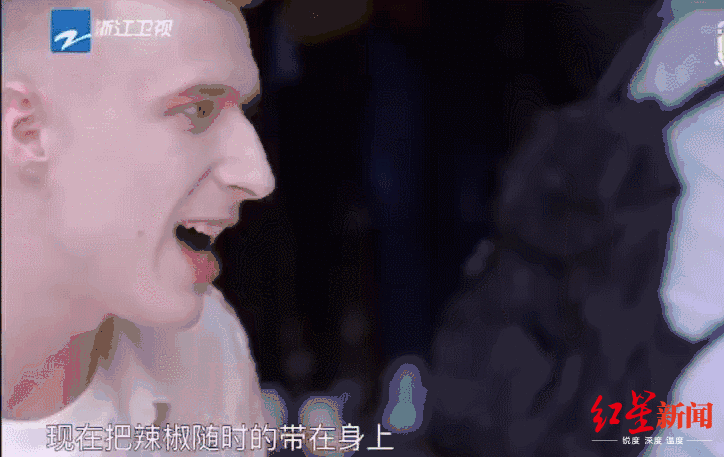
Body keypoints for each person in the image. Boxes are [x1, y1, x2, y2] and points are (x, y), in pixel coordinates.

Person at [1, 0, 277, 454]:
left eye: (243, 113)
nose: (257, 177)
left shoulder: (204, 350)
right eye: (198, 110)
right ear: (27, 131)